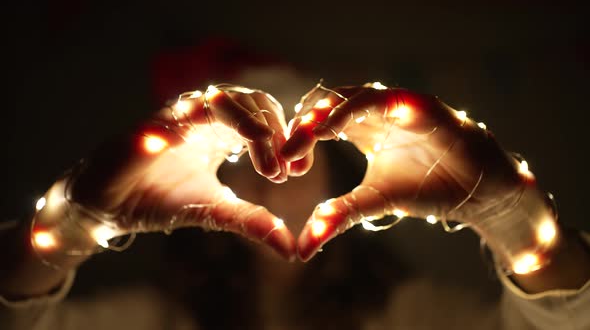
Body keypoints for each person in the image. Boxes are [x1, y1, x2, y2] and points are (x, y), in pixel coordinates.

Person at [1, 73, 590, 330]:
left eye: (298, 164)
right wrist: (73, 220)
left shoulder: (416, 313)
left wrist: (512, 217)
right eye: (249, 163)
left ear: (334, 177)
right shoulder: (148, 318)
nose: (272, 182)